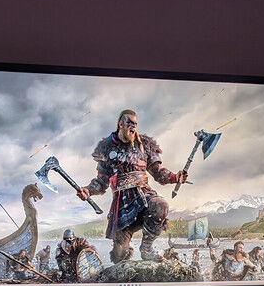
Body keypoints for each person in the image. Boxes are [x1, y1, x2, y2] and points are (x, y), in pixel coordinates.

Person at [77, 109, 187, 264]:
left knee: (160, 205)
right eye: (129, 123)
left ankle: (147, 249)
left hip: (144, 196)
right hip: (121, 204)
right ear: (120, 124)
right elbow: (101, 181)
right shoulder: (106, 148)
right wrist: (88, 191)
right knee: (119, 255)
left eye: (135, 124)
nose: (133, 126)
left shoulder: (145, 145)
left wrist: (175, 177)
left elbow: (158, 173)